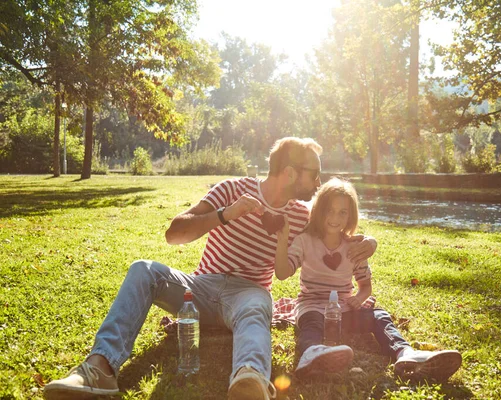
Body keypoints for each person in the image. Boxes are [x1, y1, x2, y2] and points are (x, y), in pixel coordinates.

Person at [43, 137, 378, 400]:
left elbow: (341, 232)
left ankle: (250, 378)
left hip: (248, 295)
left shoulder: (303, 214)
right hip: (198, 289)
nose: (317, 179)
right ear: (290, 171)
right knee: (144, 269)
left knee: (260, 301)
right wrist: (225, 214)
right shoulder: (231, 188)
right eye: (312, 172)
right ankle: (100, 367)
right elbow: (174, 234)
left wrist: (372, 242)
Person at [274, 177, 462, 382]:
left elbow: (365, 287)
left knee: (379, 316)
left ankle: (405, 354)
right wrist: (282, 241)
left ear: (351, 216)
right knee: (312, 325)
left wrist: (359, 299)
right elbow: (282, 273)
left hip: (344, 310)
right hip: (312, 307)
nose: (335, 217)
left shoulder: (355, 247)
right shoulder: (304, 241)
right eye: (329, 210)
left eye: (342, 212)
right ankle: (311, 354)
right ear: (319, 210)